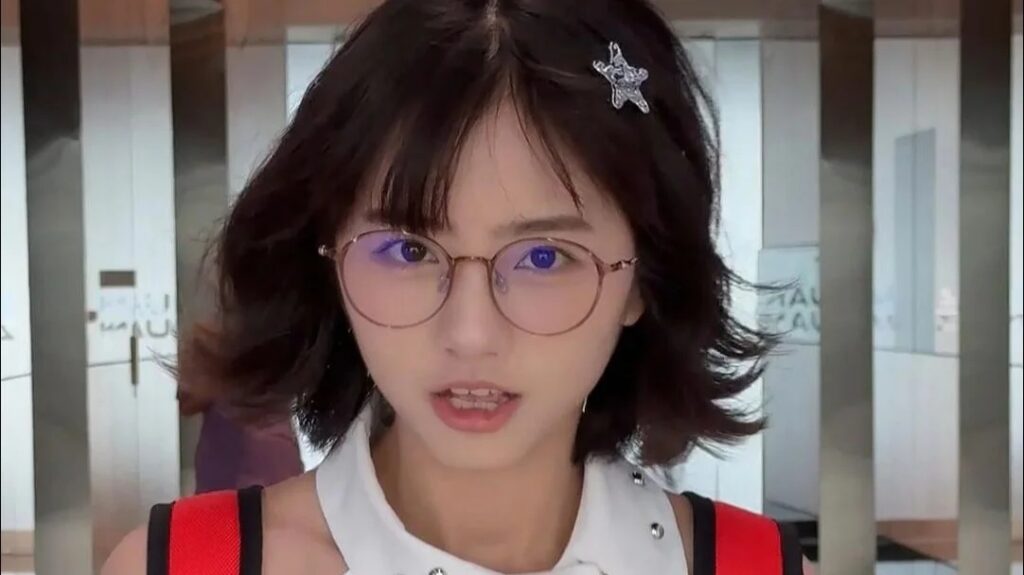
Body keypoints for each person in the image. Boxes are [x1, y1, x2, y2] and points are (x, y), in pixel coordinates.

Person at [105, 0, 813, 573]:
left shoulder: (758, 569)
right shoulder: (184, 565)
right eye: (408, 249)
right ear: (328, 258)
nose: (470, 334)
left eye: (544, 257)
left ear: (642, 279)